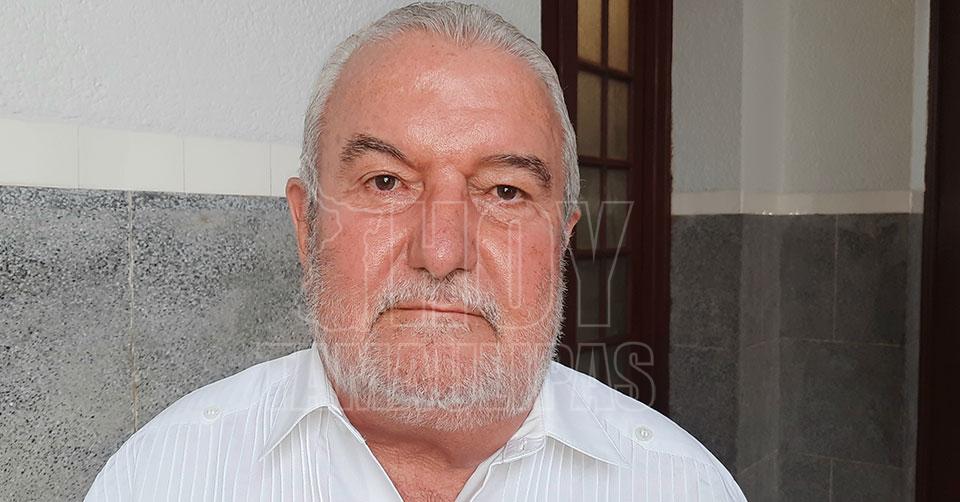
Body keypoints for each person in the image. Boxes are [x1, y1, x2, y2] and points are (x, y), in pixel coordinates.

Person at [86, 2, 745, 500]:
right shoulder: (160, 478)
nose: (441, 252)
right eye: (386, 182)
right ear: (306, 225)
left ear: (561, 240)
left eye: (506, 192)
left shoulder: (681, 487)